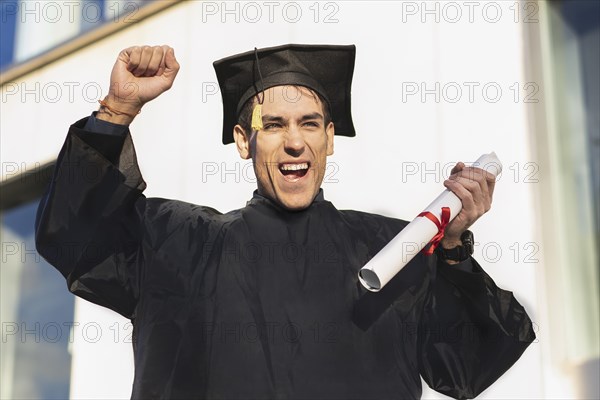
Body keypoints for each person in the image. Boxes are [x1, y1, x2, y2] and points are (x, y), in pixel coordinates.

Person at [35, 44, 535, 399]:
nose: (294, 141)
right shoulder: (177, 243)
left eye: (309, 123)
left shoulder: (393, 250)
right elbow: (76, 237)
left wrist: (449, 249)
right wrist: (118, 109)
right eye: (272, 125)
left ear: (330, 139)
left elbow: (467, 364)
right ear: (242, 140)